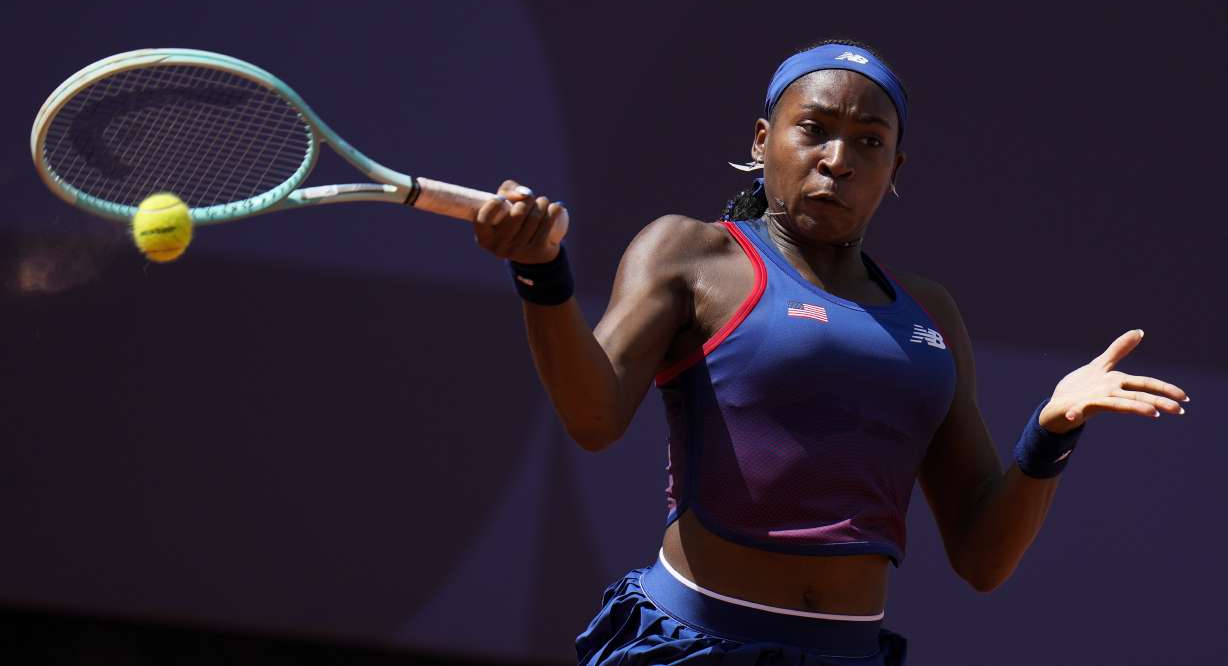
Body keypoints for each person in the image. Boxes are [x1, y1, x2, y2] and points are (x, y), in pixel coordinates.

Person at [471, 39, 1189, 665]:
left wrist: (1050, 433)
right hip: (690, 646)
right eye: (812, 129)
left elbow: (981, 557)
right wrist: (543, 275)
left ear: (894, 166)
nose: (838, 160)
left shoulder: (929, 313)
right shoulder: (690, 253)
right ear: (762, 140)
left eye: (868, 141)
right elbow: (594, 416)